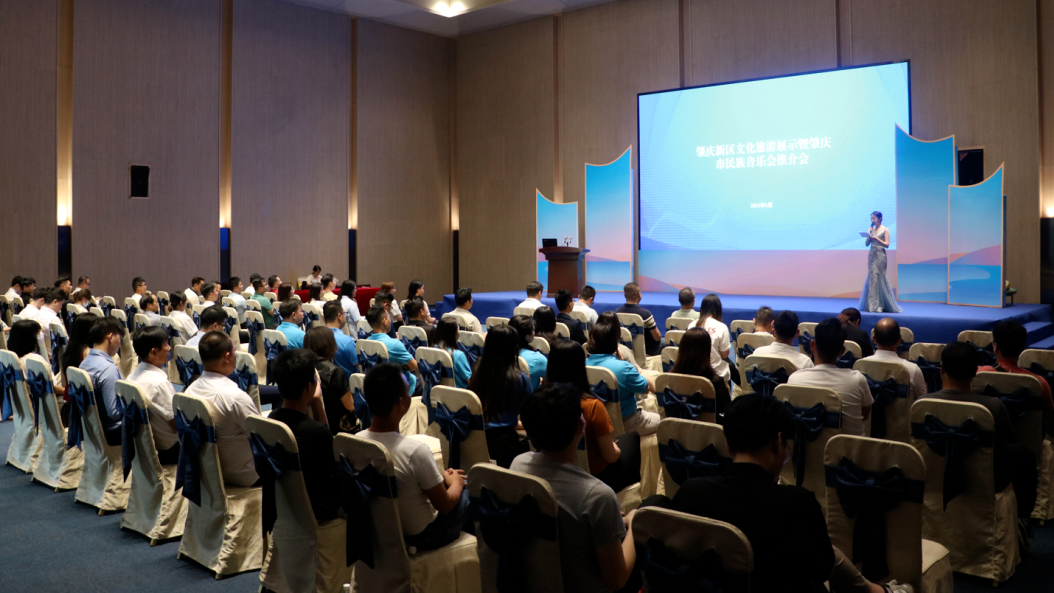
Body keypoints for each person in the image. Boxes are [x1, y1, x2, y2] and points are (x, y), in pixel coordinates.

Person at [666, 394, 909, 593]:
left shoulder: (690, 493)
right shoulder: (797, 503)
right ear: (779, 441)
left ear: (728, 445)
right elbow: (821, 570)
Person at [511, 383, 637, 593]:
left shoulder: (518, 465)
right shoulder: (598, 496)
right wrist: (634, 523)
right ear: (581, 425)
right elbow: (617, 580)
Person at [922, 341, 1038, 522]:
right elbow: (1008, 440)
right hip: (988, 478)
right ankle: (1023, 521)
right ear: (976, 371)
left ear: (941, 368)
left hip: (933, 472)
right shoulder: (993, 406)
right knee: (1024, 455)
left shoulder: (921, 405)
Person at [359, 363, 470, 551]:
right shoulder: (415, 451)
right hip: (423, 536)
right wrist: (457, 484)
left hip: (380, 529)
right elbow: (444, 505)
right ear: (401, 402)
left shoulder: (356, 441)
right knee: (470, 489)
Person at [547, 340, 641, 494]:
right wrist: (614, 447)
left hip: (553, 471)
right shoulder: (592, 406)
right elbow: (611, 457)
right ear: (580, 367)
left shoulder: (541, 400)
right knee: (631, 438)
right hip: (595, 478)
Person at [268, 348, 339, 522]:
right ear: (309, 387)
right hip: (318, 510)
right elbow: (331, 478)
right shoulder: (317, 432)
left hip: (284, 502)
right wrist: (317, 402)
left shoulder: (272, 419)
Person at [184, 331, 261, 486]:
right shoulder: (235, 397)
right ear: (226, 357)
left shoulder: (189, 391)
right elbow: (262, 438)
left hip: (207, 471)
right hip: (244, 475)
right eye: (234, 351)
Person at [787, 318, 873, 436]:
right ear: (842, 351)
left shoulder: (794, 379)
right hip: (849, 447)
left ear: (812, 345)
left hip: (806, 447)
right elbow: (865, 414)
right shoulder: (857, 380)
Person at [467, 325, 529, 468]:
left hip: (475, 439)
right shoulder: (519, 378)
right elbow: (530, 414)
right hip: (505, 445)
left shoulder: (477, 373)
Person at [586, 321, 658, 436]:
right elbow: (646, 389)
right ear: (615, 342)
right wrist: (638, 369)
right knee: (663, 422)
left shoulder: (582, 364)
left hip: (594, 423)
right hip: (627, 423)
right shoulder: (624, 367)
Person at [978, 319, 1054, 423]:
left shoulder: (977, 374)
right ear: (1022, 348)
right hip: (1029, 433)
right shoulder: (1040, 383)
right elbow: (1048, 417)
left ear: (995, 346)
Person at [127, 326, 179, 464]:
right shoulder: (159, 383)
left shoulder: (131, 376)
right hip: (170, 449)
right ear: (154, 352)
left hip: (144, 444)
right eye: (166, 345)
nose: (169, 348)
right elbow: (176, 423)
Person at [79, 317, 126, 446]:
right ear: (110, 337)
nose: (120, 344)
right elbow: (114, 413)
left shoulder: (85, 362)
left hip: (92, 428)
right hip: (112, 433)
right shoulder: (108, 369)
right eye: (119, 338)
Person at [303, 326, 356, 435]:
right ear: (330, 345)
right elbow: (350, 406)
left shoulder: (304, 367)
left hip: (311, 423)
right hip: (337, 427)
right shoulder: (335, 372)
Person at [670, 328, 732, 414]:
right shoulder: (715, 382)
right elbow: (727, 412)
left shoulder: (669, 380)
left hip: (675, 422)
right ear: (707, 351)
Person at [864, 318, 927, 400]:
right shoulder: (913, 370)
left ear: (874, 339)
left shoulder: (860, 367)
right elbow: (922, 402)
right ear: (899, 339)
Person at [365, 306, 418, 396]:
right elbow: (415, 366)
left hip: (377, 388)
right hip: (400, 389)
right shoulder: (394, 344)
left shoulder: (365, 343)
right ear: (384, 321)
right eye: (389, 317)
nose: (390, 321)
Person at [860, 210, 902, 313]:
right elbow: (867, 244)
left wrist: (876, 238)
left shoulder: (885, 229)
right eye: (871, 218)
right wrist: (869, 234)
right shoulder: (872, 229)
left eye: (874, 218)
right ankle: (872, 304)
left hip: (880, 255)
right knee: (872, 277)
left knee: (880, 276)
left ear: (880, 219)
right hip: (872, 254)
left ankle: (882, 304)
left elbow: (887, 244)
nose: (873, 220)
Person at [691, 293, 732, 387]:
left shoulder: (692, 325)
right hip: (716, 376)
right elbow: (724, 355)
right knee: (729, 366)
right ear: (718, 310)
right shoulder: (722, 327)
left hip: (694, 373)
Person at [616, 282, 662, 356]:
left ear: (624, 295)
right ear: (639, 295)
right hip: (646, 351)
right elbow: (657, 337)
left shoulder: (617, 313)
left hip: (625, 350)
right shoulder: (645, 314)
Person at [322, 301, 359, 378]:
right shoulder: (347, 341)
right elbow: (360, 366)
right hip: (348, 382)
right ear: (339, 316)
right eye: (344, 313)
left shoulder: (317, 337)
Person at [509, 315, 546, 389]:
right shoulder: (537, 358)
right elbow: (552, 379)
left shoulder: (499, 353)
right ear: (527, 337)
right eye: (533, 330)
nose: (534, 333)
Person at [433, 318, 472, 389]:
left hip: (438, 392)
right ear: (454, 334)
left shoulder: (433, 350)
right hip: (459, 393)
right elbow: (470, 381)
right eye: (458, 329)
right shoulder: (458, 355)